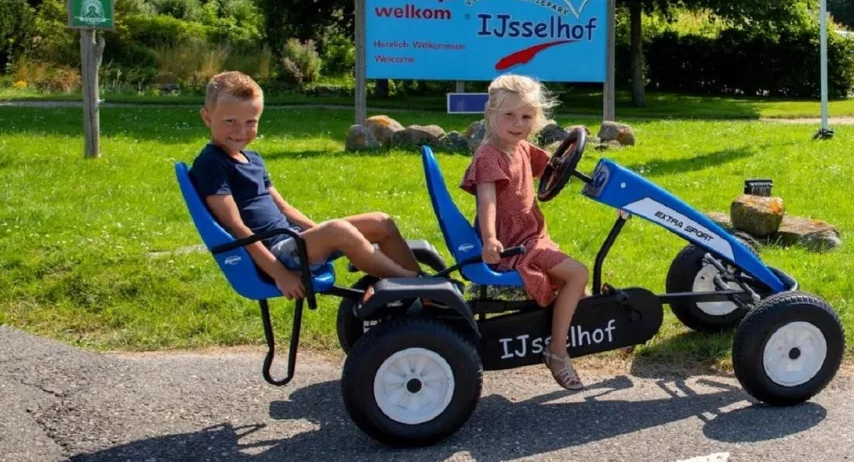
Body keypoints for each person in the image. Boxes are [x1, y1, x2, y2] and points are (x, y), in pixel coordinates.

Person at [193, 71, 419, 298]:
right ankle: (413, 285)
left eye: (250, 122)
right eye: (230, 121)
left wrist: (327, 237)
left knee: (381, 222)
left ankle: (422, 290)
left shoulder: (252, 159)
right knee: (338, 230)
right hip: (276, 254)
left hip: (293, 241)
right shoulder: (212, 164)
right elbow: (237, 228)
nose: (241, 131)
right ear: (207, 117)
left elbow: (285, 209)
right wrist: (280, 274)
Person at [460, 73, 588, 390]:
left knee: (575, 285)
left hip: (532, 236)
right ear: (491, 115)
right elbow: (486, 202)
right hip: (515, 245)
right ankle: (557, 352)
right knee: (577, 275)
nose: (518, 123)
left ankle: (602, 327)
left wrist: (593, 178)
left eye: (527, 116)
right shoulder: (489, 155)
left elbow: (556, 165)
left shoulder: (520, 147)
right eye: (509, 115)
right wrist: (490, 239)